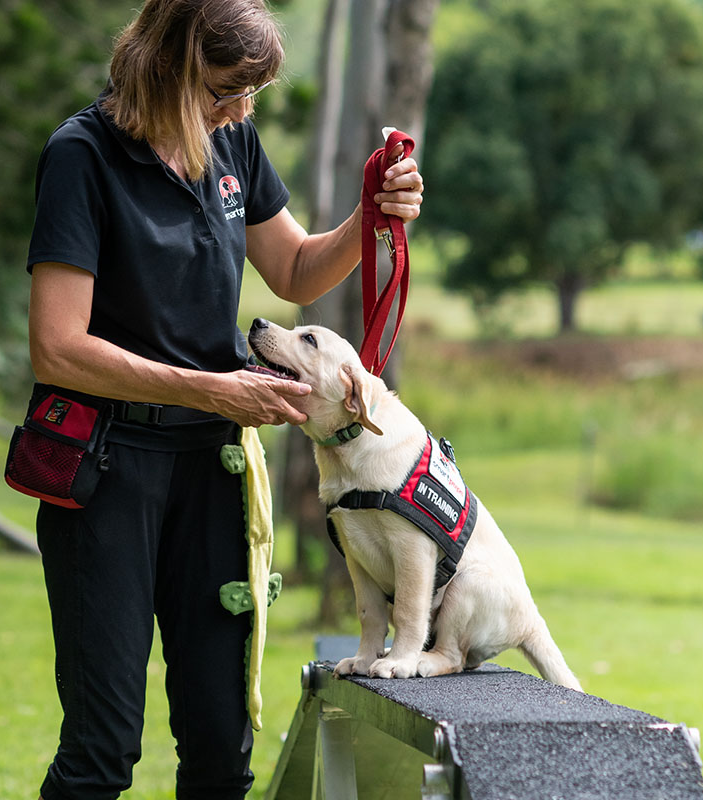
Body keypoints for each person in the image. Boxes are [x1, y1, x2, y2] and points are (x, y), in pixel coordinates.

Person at [23, 0, 424, 797]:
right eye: (223, 93)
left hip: (214, 473)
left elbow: (296, 271)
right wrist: (211, 387)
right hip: (107, 471)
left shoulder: (232, 139)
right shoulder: (82, 155)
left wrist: (367, 219)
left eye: (253, 96)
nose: (239, 112)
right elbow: (57, 347)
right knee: (102, 752)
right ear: (168, 65)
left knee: (220, 749)